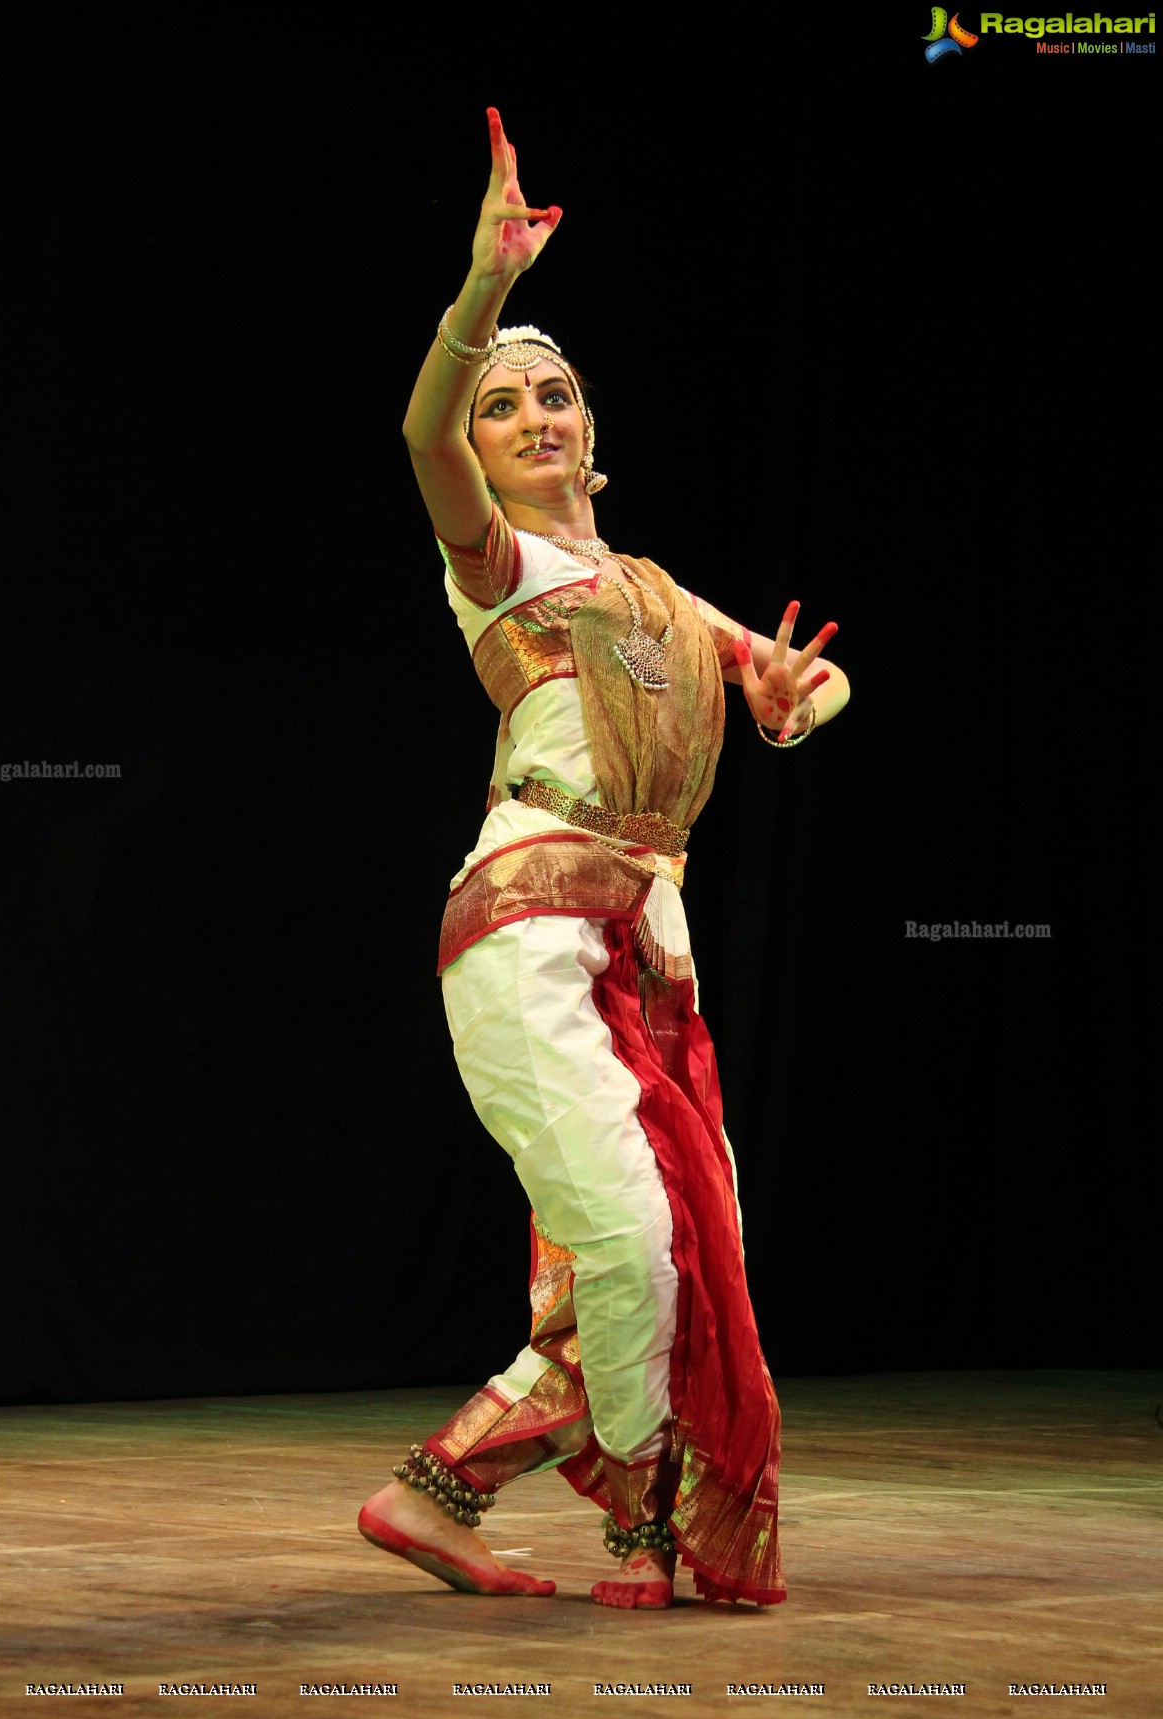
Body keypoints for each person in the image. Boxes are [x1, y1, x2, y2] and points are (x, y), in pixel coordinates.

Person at [357, 108, 849, 1610]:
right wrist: (479, 296)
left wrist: (787, 701)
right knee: (638, 1231)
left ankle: (435, 1494)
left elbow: (804, 680)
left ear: (595, 434)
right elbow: (419, 434)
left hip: (640, 949)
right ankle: (633, 1521)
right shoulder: (496, 567)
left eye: (554, 395)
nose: (532, 418)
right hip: (522, 932)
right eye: (508, 407)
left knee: (660, 1249)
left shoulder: (645, 587)